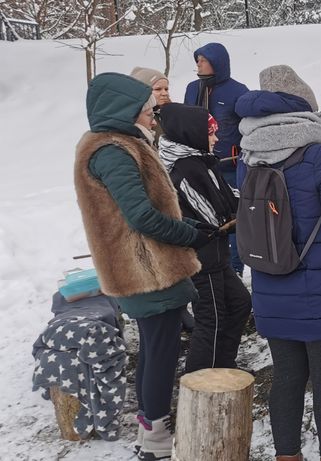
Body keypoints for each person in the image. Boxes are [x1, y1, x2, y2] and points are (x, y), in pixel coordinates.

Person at [74, 73, 212, 460]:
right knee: (162, 352)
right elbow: (141, 217)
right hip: (145, 270)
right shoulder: (112, 152)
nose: (154, 117)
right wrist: (188, 233)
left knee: (155, 348)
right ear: (126, 111)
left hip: (146, 267)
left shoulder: (119, 144)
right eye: (149, 111)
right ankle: (156, 441)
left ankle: (148, 431)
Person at [236, 65, 321, 461]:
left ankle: (286, 455)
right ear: (303, 109)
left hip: (272, 288)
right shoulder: (317, 156)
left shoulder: (248, 157)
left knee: (287, 379)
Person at [156, 103, 252, 373]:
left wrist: (250, 202)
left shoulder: (202, 161)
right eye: (211, 132)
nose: (216, 138)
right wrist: (241, 215)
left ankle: (224, 366)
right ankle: (199, 382)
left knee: (241, 303)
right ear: (193, 133)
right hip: (200, 258)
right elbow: (213, 219)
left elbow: (227, 196)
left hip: (216, 256)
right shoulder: (184, 170)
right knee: (212, 319)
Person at [184, 42, 250, 276]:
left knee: (234, 217)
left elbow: (248, 126)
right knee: (206, 216)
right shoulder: (193, 88)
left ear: (217, 63)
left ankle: (236, 268)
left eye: (203, 60)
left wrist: (239, 153)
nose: (198, 64)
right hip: (200, 165)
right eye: (197, 60)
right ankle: (213, 266)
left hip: (229, 165)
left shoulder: (238, 91)